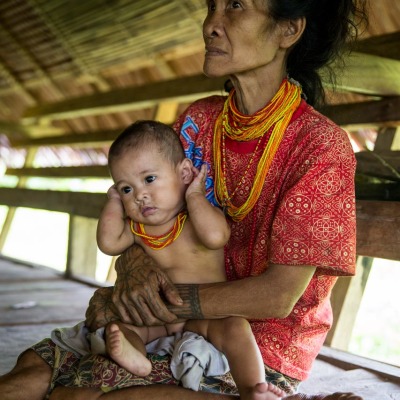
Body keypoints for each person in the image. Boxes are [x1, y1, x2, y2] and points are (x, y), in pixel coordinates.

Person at [0, 0, 368, 399]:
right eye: (212, 6)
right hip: (163, 325)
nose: (211, 23)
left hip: (252, 349)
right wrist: (134, 270)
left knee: (77, 395)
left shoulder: (319, 146)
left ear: (288, 30)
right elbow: (145, 217)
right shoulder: (199, 121)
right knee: (28, 376)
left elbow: (277, 296)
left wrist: (162, 302)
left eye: (236, 6)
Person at [93, 119, 284, 399]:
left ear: (184, 173)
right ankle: (136, 359)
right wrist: (112, 201)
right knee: (121, 328)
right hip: (156, 318)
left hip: (204, 316)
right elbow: (108, 243)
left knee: (235, 328)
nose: (140, 196)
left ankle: (253, 388)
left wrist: (194, 195)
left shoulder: (194, 217)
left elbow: (217, 236)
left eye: (148, 179)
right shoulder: (136, 230)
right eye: (126, 189)